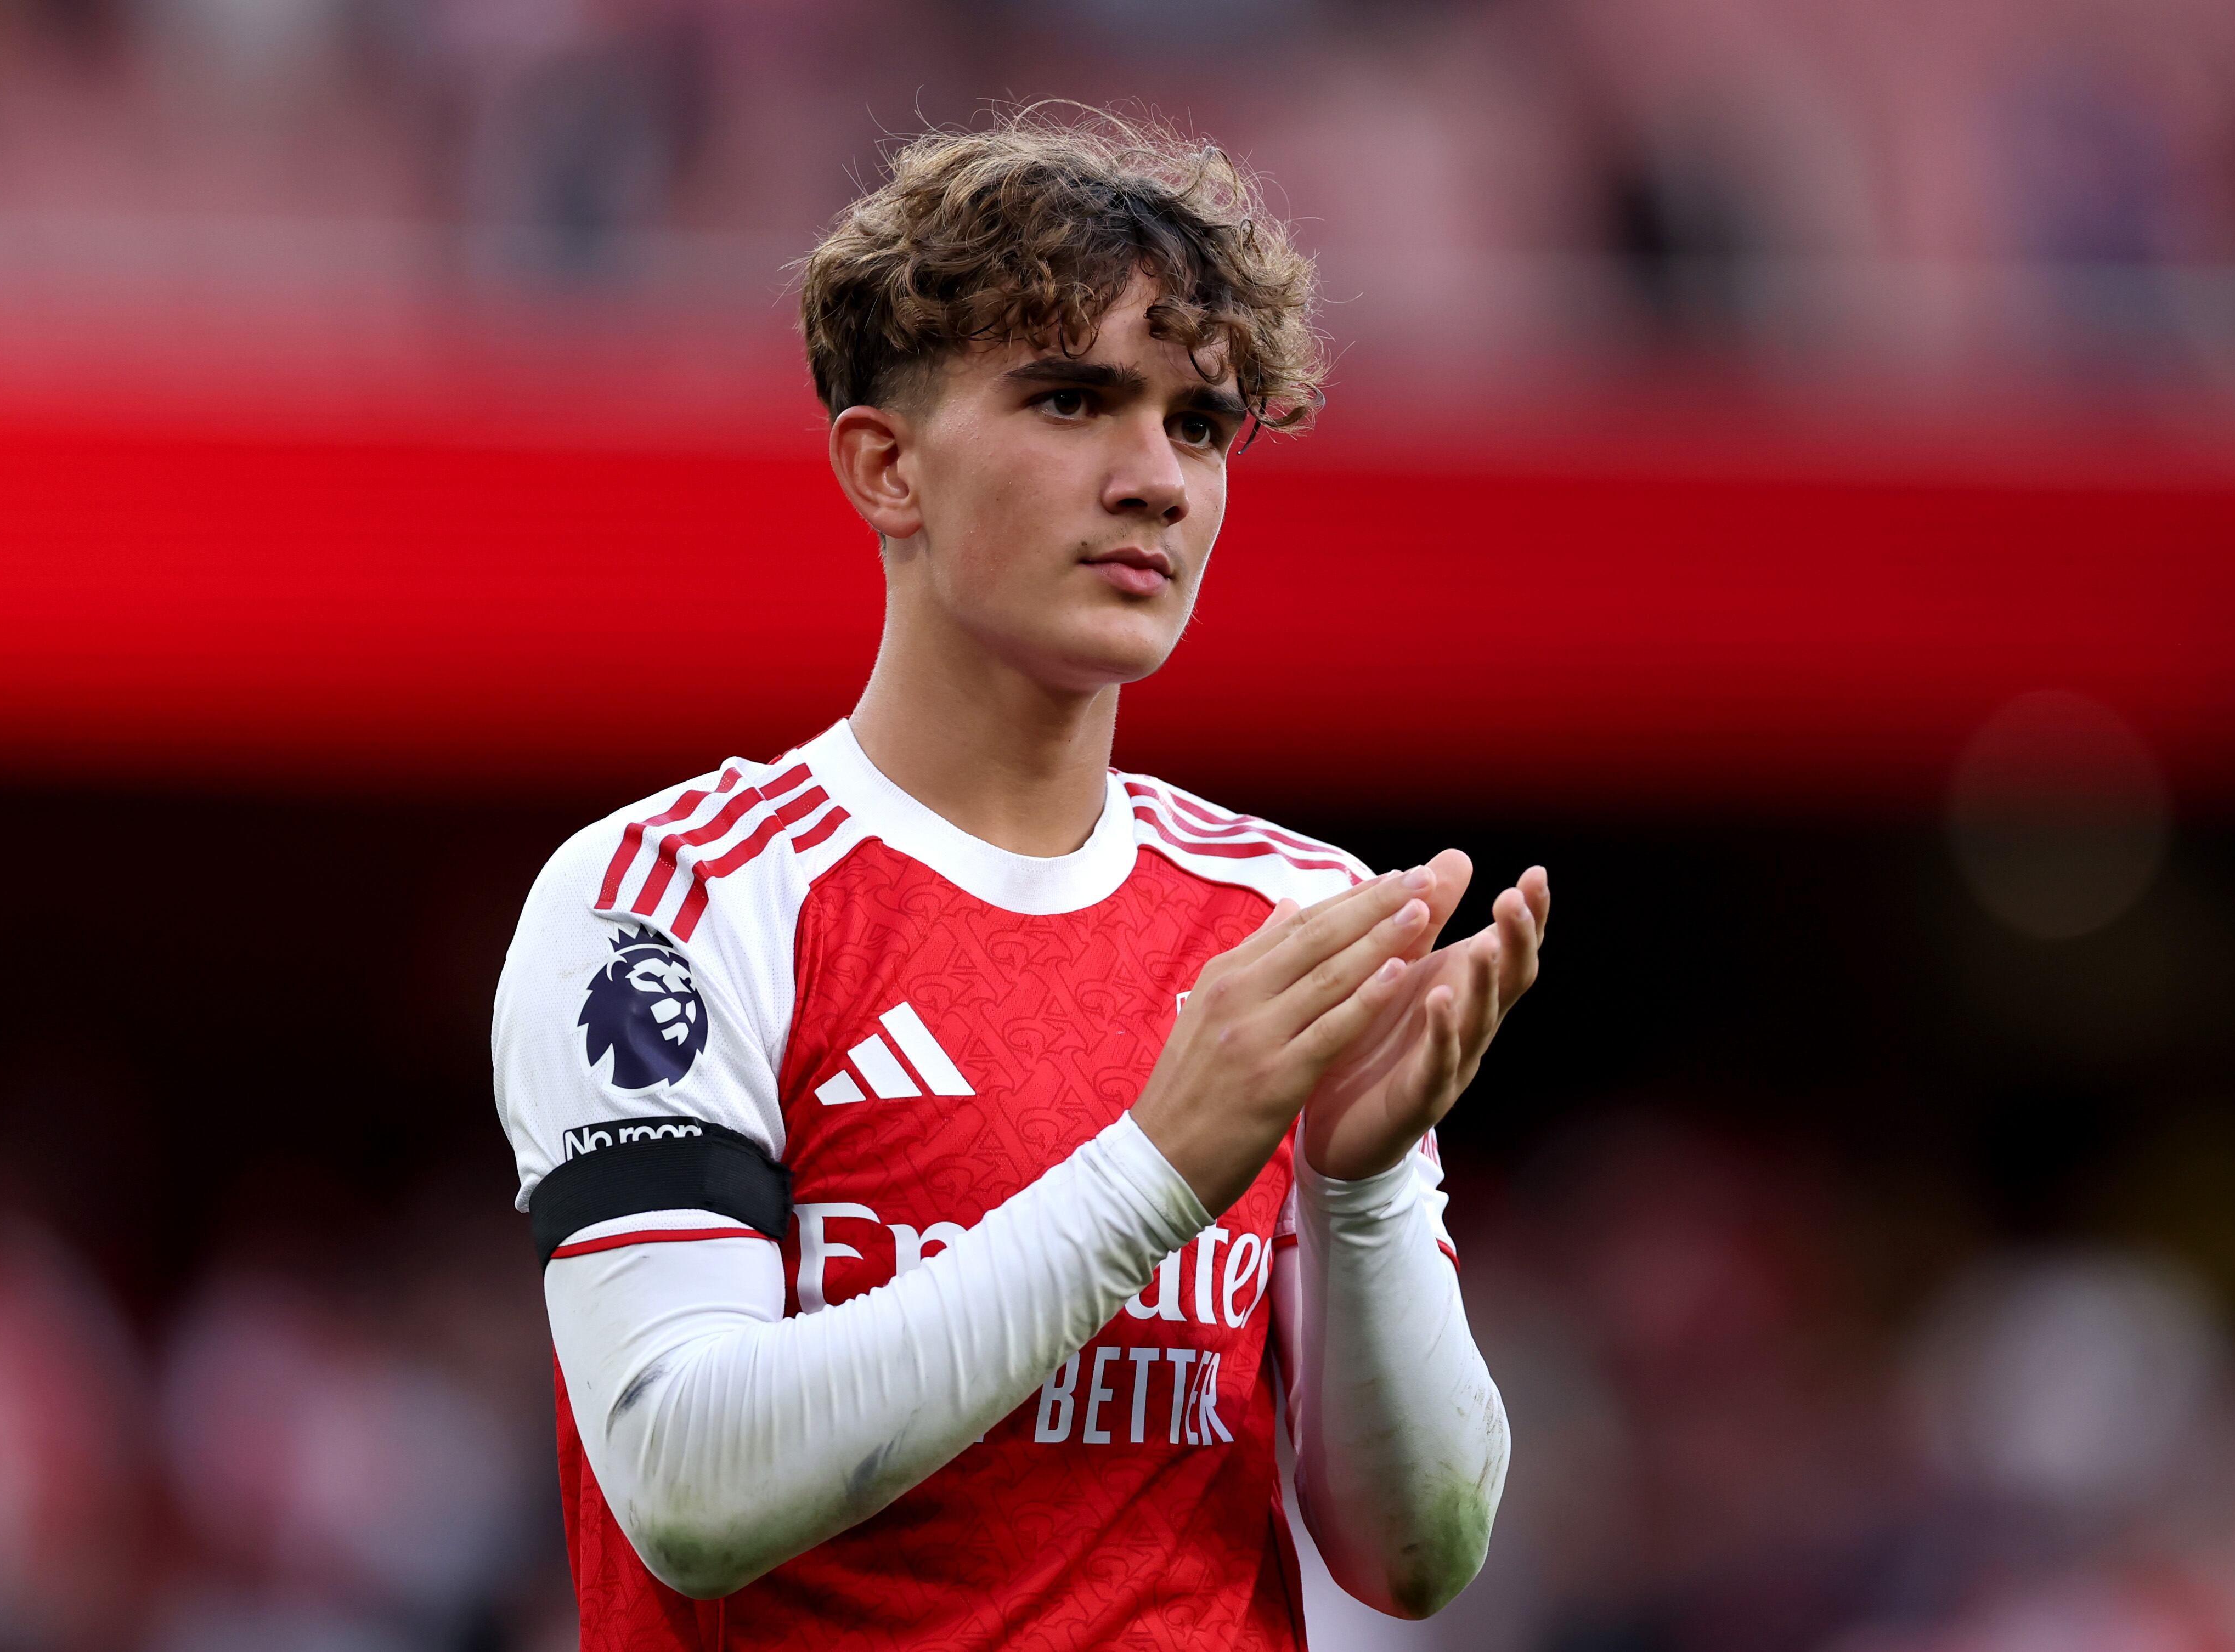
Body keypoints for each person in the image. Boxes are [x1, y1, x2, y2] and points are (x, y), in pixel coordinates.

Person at [492, 106, 1547, 1652]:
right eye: (1074, 399)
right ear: (886, 467)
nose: (1158, 481)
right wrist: (1158, 1167)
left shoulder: (1288, 917)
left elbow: (1417, 1555)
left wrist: (1359, 1181)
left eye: (1199, 423)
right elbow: (688, 1481)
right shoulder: (669, 899)